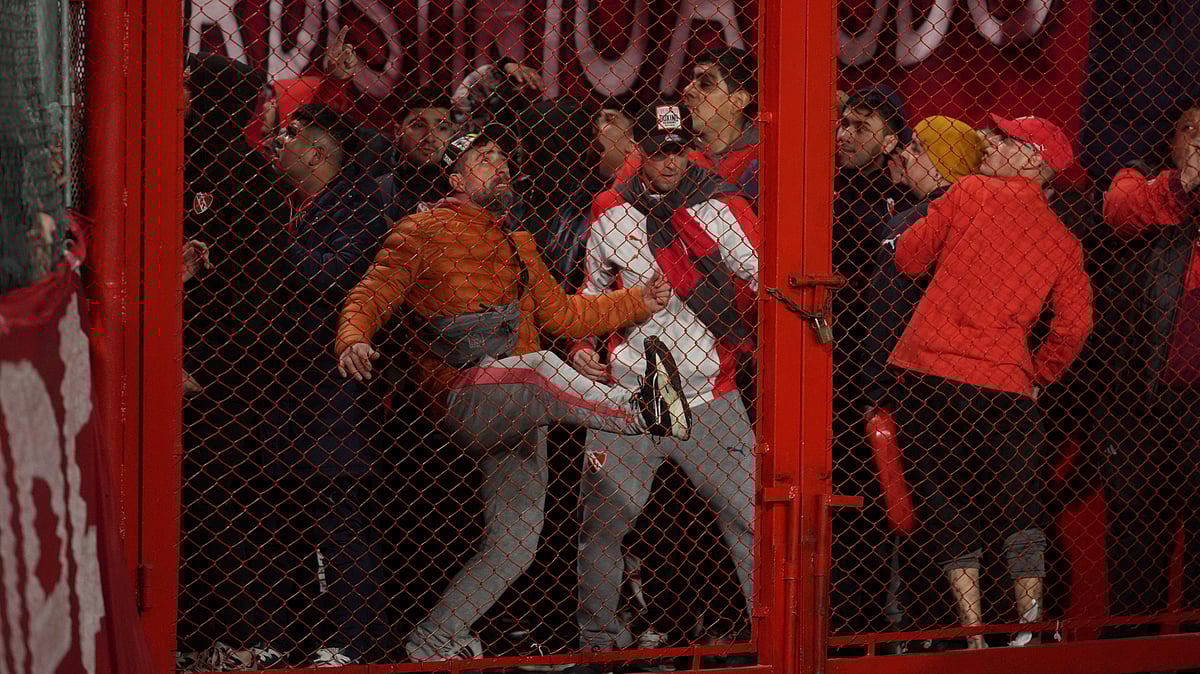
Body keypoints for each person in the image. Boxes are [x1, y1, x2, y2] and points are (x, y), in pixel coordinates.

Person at [334, 125, 689, 662]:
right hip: (465, 393)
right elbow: (374, 289)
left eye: (501, 157)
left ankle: (433, 641)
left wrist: (638, 301)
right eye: (482, 159)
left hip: (518, 400)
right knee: (540, 367)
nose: (497, 165)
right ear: (454, 178)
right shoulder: (422, 229)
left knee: (514, 543)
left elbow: (563, 314)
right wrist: (353, 337)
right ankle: (640, 410)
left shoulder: (518, 241)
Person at [888, 114, 1092, 648]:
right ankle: (1026, 627)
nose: (989, 142)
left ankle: (974, 633)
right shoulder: (1063, 240)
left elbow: (909, 260)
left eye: (1006, 139)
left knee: (945, 501)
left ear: (1036, 162)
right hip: (1005, 384)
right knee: (1019, 504)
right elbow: (1075, 326)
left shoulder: (971, 191)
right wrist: (1039, 374)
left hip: (932, 372)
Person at [568, 102, 760, 664]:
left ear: (688, 147)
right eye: (657, 150)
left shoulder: (723, 205)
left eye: (677, 148)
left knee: (749, 520)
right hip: (631, 390)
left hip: (708, 390)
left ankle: (769, 642)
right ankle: (597, 649)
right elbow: (589, 289)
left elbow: (767, 275)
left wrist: (733, 300)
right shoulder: (610, 209)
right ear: (639, 152)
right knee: (602, 527)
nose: (668, 160)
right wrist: (580, 345)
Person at [245, 103, 394, 667]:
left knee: (338, 514)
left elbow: (334, 276)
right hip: (285, 382)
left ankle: (359, 642)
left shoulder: (357, 206)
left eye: (288, 137)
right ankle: (286, 640)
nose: (275, 146)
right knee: (282, 514)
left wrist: (272, 243)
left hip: (335, 386)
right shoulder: (292, 206)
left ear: (316, 151)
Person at [175, 52, 292, 670]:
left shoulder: (250, 180)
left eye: (191, 87)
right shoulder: (171, 162)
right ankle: (192, 638)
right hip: (171, 355)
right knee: (183, 500)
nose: (182, 97)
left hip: (221, 375)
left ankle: (240, 640)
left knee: (214, 496)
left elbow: (259, 296)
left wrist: (209, 369)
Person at [859, 117, 983, 646]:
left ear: (936, 157)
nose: (904, 156)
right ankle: (988, 631)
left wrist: (871, 388)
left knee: (919, 511)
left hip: (916, 388)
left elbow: (885, 310)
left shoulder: (912, 222)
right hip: (985, 387)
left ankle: (929, 631)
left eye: (914, 146)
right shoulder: (991, 216)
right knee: (980, 503)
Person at [1097, 98, 1200, 638]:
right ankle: (1128, 649)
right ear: (1173, 140)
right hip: (1140, 395)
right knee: (1135, 527)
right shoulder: (1145, 182)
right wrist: (1181, 189)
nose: (1199, 144)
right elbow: (1119, 211)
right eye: (1191, 131)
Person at [831, 84, 911, 632]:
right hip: (831, 365)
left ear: (889, 141)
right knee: (835, 495)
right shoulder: (821, 188)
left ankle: (869, 625)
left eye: (860, 126)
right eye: (843, 123)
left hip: (883, 371)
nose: (844, 134)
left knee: (882, 498)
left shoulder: (905, 202)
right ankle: (834, 619)